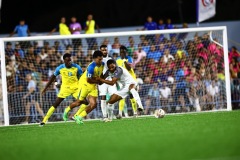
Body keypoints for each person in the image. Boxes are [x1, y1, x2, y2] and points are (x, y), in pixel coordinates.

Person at [39, 53, 84, 126]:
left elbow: (82, 78)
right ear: (64, 61)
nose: (70, 62)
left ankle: (75, 115)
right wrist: (45, 88)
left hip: (76, 88)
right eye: (68, 60)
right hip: (65, 88)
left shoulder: (77, 67)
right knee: (56, 104)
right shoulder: (60, 68)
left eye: (70, 60)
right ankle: (44, 120)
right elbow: (52, 79)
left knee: (85, 102)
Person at [63, 50, 104, 124]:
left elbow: (100, 74)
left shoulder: (102, 64)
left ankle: (79, 117)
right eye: (99, 59)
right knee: (79, 102)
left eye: (102, 59)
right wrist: (98, 81)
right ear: (94, 59)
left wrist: (101, 80)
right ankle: (67, 110)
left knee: (94, 104)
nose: (101, 61)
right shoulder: (91, 67)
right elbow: (88, 80)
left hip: (93, 86)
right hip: (84, 84)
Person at [116, 45, 139, 119]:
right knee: (121, 97)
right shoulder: (117, 60)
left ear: (126, 52)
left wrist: (125, 61)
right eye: (121, 52)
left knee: (132, 97)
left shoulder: (129, 59)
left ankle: (135, 113)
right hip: (124, 82)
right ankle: (120, 114)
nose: (122, 53)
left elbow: (129, 68)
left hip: (132, 81)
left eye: (123, 51)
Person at [98, 45, 117, 122]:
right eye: (103, 50)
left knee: (115, 96)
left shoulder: (110, 59)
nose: (104, 51)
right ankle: (105, 116)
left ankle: (110, 112)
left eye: (105, 50)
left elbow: (113, 70)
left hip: (109, 81)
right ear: (100, 51)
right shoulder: (98, 60)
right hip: (102, 82)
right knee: (103, 98)